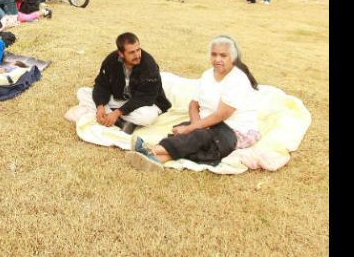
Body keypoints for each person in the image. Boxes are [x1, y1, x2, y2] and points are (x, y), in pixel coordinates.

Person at [126, 35, 260, 172]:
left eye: (223, 55)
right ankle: (157, 160)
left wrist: (193, 128)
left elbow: (222, 114)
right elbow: (193, 104)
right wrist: (195, 125)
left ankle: (150, 150)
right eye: (214, 54)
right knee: (184, 131)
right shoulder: (208, 75)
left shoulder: (237, 79)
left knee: (198, 136)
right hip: (210, 126)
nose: (217, 59)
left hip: (235, 130)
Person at [77, 32, 172, 135]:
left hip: (145, 103)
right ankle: (121, 122)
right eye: (131, 52)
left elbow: (145, 98)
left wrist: (117, 112)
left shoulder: (149, 66)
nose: (137, 55)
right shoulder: (111, 60)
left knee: (147, 117)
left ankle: (112, 115)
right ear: (121, 54)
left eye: (138, 50)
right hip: (121, 100)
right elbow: (101, 84)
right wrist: (100, 106)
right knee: (82, 92)